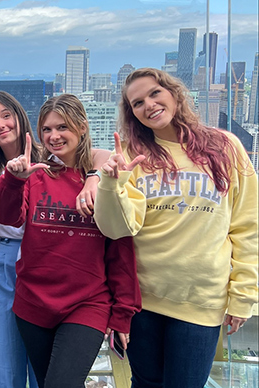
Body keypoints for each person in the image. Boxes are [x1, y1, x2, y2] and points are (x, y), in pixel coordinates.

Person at [94, 68, 258, 387]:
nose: (149, 105)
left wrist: (243, 295)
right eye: (137, 103)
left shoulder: (225, 147)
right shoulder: (131, 155)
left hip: (201, 301)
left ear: (174, 93)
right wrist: (112, 183)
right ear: (132, 114)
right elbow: (116, 228)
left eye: (155, 93)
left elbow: (247, 226)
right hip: (143, 302)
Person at [0, 91, 112, 388]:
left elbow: (100, 155)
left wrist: (93, 178)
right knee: (1, 354)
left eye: (6, 116)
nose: (0, 125)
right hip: (6, 262)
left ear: (21, 118)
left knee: (47, 365)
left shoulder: (51, 156)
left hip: (49, 263)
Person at [0, 94, 141, 388]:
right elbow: (9, 217)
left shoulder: (105, 178)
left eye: (63, 127)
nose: (54, 136)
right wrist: (14, 180)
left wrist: (123, 311)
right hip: (33, 302)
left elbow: (121, 247)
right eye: (46, 129)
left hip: (87, 303)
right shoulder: (36, 175)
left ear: (82, 127)